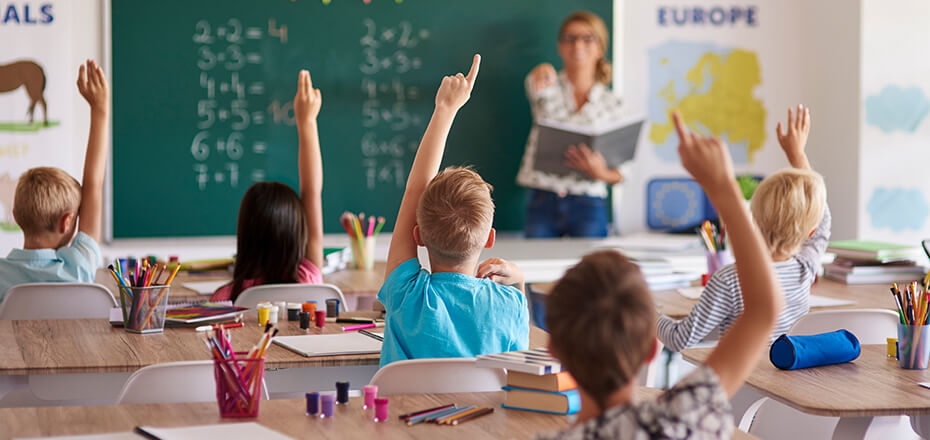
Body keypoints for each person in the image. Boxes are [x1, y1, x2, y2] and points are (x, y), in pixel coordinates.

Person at [538, 112, 783, 439]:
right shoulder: (683, 418)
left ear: (553, 350)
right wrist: (722, 186)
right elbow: (763, 310)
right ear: (651, 350)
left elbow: (761, 311)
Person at [378, 55, 529, 367]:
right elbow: (518, 370)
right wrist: (519, 281)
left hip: (402, 417)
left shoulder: (407, 297)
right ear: (489, 238)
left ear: (417, 235)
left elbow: (414, 190)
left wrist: (444, 110)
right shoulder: (509, 305)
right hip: (485, 417)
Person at [657, 105, 830, 351]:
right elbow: (822, 222)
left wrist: (648, 313)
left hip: (741, 385)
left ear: (754, 219)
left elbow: (679, 339)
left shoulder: (730, 279)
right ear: (810, 232)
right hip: (785, 382)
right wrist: (797, 155)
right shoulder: (805, 270)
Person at [0, 60, 108, 301]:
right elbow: (94, 184)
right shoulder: (78, 268)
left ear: (16, 216)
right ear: (68, 221)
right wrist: (100, 108)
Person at [212, 70, 324, 302]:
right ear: (298, 232)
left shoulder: (227, 298)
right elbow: (311, 193)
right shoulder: (308, 279)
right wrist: (307, 122)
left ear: (245, 233)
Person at [517, 11, 623, 238]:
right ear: (560, 46)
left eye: (587, 38)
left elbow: (622, 172)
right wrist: (541, 70)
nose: (578, 45)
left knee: (592, 271)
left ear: (601, 48)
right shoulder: (546, 85)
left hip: (589, 202)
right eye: (570, 38)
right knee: (537, 269)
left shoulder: (613, 104)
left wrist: (601, 172)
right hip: (543, 197)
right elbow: (532, 83)